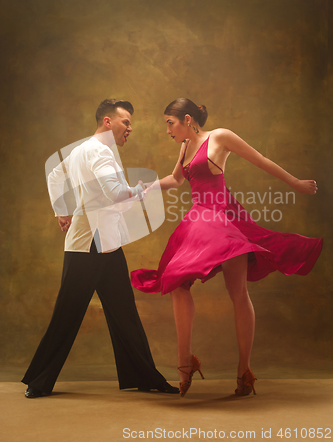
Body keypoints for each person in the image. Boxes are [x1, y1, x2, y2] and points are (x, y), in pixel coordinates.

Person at [131, 98, 323, 397]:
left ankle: (244, 371)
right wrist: (149, 188)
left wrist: (295, 182)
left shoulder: (219, 137)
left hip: (224, 219)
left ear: (187, 119)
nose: (167, 130)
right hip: (199, 221)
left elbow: (261, 160)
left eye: (170, 123)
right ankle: (185, 362)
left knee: (238, 293)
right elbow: (177, 179)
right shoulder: (184, 147)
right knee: (176, 281)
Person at [22, 99, 179, 398]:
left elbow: (55, 174)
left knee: (124, 313)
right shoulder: (101, 153)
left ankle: (146, 377)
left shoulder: (83, 149)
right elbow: (116, 194)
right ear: (108, 122)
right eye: (126, 122)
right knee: (67, 314)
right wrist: (142, 190)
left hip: (105, 242)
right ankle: (39, 382)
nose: (130, 129)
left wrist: (61, 210)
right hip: (88, 245)